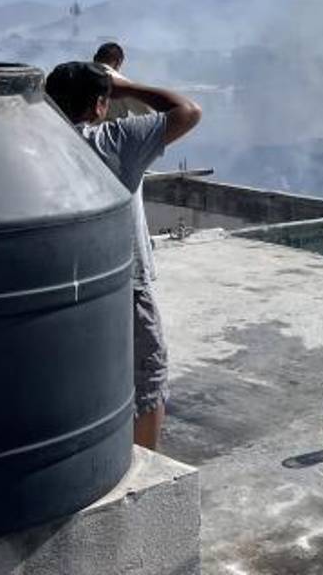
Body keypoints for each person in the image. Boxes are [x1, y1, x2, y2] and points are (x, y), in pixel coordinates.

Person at [44, 61, 201, 450]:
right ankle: (145, 466)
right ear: (100, 105)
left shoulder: (36, 150)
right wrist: (125, 87)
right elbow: (188, 111)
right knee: (148, 378)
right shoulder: (113, 141)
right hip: (124, 282)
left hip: (61, 286)